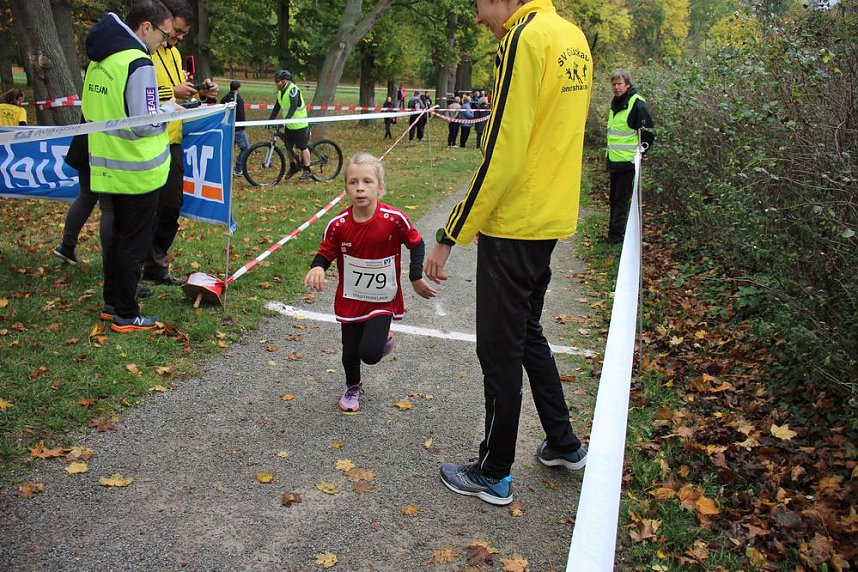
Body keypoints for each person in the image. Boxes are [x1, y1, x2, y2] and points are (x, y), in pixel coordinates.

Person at [424, 0, 592, 506]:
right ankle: (563, 443)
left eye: (478, 3)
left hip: (516, 221)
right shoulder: (573, 37)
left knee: (499, 348)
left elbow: (503, 149)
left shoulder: (523, 39)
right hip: (548, 217)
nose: (476, 15)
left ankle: (494, 471)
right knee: (527, 332)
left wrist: (451, 231)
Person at [304, 152, 436, 412]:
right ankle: (353, 385)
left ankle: (382, 338)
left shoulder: (394, 219)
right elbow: (326, 251)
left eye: (367, 181)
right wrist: (318, 267)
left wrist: (415, 276)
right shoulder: (338, 224)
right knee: (349, 351)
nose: (360, 188)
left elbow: (416, 243)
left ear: (380, 187)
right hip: (351, 298)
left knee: (370, 354)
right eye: (353, 182)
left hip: (382, 298)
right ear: (346, 188)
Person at [81, 0, 178, 332]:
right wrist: (170, 112)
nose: (164, 43)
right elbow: (144, 122)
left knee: (118, 238)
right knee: (132, 242)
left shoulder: (101, 58)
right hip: (138, 169)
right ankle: (126, 312)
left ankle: (112, 303)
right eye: (164, 35)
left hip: (107, 162)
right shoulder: (138, 61)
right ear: (146, 27)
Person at [144, 0, 218, 286]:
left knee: (171, 206)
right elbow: (143, 90)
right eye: (175, 31)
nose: (177, 38)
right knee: (146, 209)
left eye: (182, 34)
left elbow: (181, 98)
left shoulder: (174, 54)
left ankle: (156, 265)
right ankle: (136, 267)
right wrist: (171, 91)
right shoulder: (145, 51)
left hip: (173, 139)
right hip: (148, 139)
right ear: (162, 23)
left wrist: (202, 92)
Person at [604, 69, 654, 244]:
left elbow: (648, 133)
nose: (616, 87)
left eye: (620, 84)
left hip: (628, 161)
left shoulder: (637, 104)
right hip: (614, 160)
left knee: (621, 201)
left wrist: (641, 154)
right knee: (614, 199)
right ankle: (613, 234)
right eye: (614, 84)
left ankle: (616, 237)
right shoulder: (616, 103)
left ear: (627, 85)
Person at [268, 69, 312, 181]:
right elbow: (277, 107)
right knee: (288, 146)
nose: (276, 83)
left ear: (284, 81)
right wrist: (270, 120)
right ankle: (293, 167)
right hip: (290, 125)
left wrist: (285, 120)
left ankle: (307, 170)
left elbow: (293, 106)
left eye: (277, 81)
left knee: (302, 147)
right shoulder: (280, 92)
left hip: (300, 124)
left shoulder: (293, 90)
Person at [221, 80, 249, 174]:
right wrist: (242, 126)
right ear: (238, 88)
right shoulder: (239, 100)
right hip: (238, 129)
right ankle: (239, 167)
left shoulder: (224, 99)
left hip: (227, 128)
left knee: (229, 150)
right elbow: (241, 115)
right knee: (245, 148)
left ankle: (227, 169)